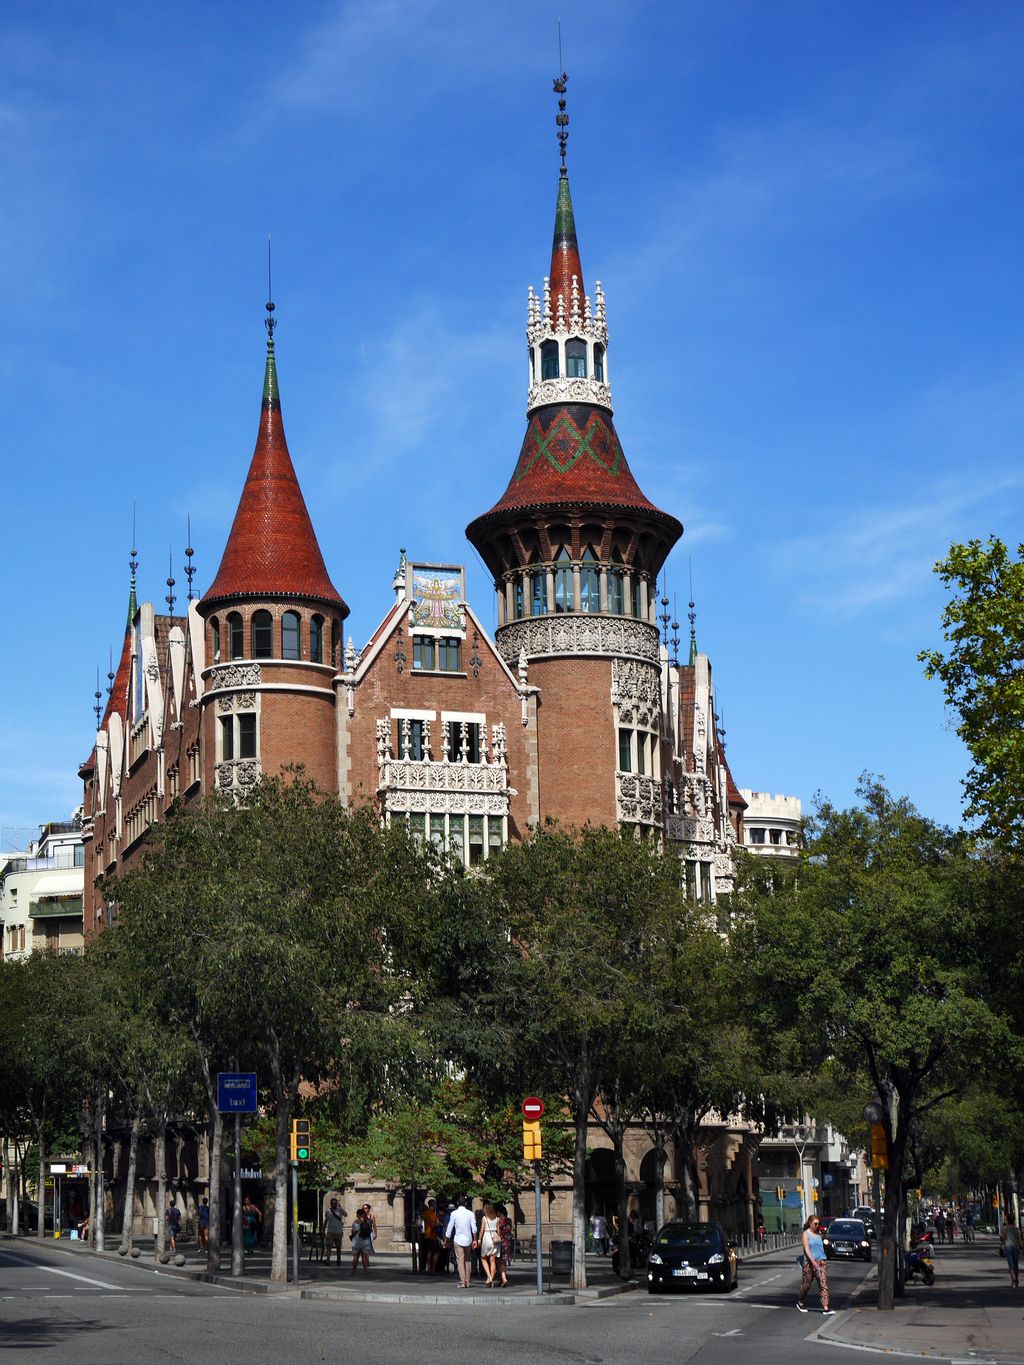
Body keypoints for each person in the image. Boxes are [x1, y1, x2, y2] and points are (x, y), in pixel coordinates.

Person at [796, 1214, 833, 1314]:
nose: (817, 1225)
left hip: (821, 1261)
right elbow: (807, 1249)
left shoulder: (819, 1234)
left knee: (823, 1284)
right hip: (809, 1263)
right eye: (815, 1224)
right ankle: (801, 1301)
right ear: (810, 1223)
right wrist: (813, 1262)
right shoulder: (805, 1234)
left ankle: (826, 1307)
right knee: (806, 1285)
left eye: (818, 1224)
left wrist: (823, 1261)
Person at [445, 1196, 477, 1289]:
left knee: (460, 1261)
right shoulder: (470, 1214)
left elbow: (450, 1227)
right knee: (467, 1260)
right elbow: (474, 1228)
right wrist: (475, 1240)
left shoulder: (454, 1214)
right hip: (468, 1239)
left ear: (457, 1203)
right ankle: (468, 1281)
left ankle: (462, 1282)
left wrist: (446, 1239)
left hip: (458, 1239)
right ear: (466, 1203)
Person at [478, 1202, 500, 1287]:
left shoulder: (484, 1218)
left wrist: (479, 1240)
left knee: (483, 1258)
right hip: (495, 1238)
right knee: (492, 1260)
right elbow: (499, 1231)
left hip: (487, 1237)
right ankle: (491, 1278)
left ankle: (489, 1277)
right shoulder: (497, 1219)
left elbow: (482, 1230)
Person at [999, 1212, 1021, 1288]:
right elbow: (1020, 1240)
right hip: (1016, 1248)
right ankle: (1017, 1280)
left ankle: (1013, 1280)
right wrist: (1021, 1246)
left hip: (1008, 1248)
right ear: (1014, 1220)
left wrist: (1001, 1245)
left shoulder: (1005, 1229)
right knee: (1016, 1265)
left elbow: (1002, 1238)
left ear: (1008, 1220)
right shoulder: (1017, 1229)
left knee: (1011, 1266)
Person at [323, 1197, 346, 1267]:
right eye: (332, 1203)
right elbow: (326, 1221)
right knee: (329, 1246)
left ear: (336, 1204)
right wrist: (323, 1229)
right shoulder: (328, 1211)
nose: (334, 1204)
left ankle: (338, 1260)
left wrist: (341, 1207)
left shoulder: (340, 1210)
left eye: (335, 1203)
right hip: (330, 1231)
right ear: (330, 1204)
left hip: (338, 1231)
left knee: (338, 1247)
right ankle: (328, 1260)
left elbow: (346, 1214)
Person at [350, 1207, 374, 1275]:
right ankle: (365, 1271)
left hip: (357, 1241)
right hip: (365, 1241)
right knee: (364, 1256)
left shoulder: (356, 1222)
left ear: (357, 1215)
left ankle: (353, 1271)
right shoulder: (368, 1222)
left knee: (355, 1257)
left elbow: (353, 1231)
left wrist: (353, 1231)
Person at [496, 1203, 513, 1288]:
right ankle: (502, 1278)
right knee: (504, 1262)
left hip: (500, 1242)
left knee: (500, 1261)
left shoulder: (498, 1221)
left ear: (499, 1212)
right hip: (507, 1242)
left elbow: (498, 1232)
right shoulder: (509, 1220)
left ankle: (503, 1278)